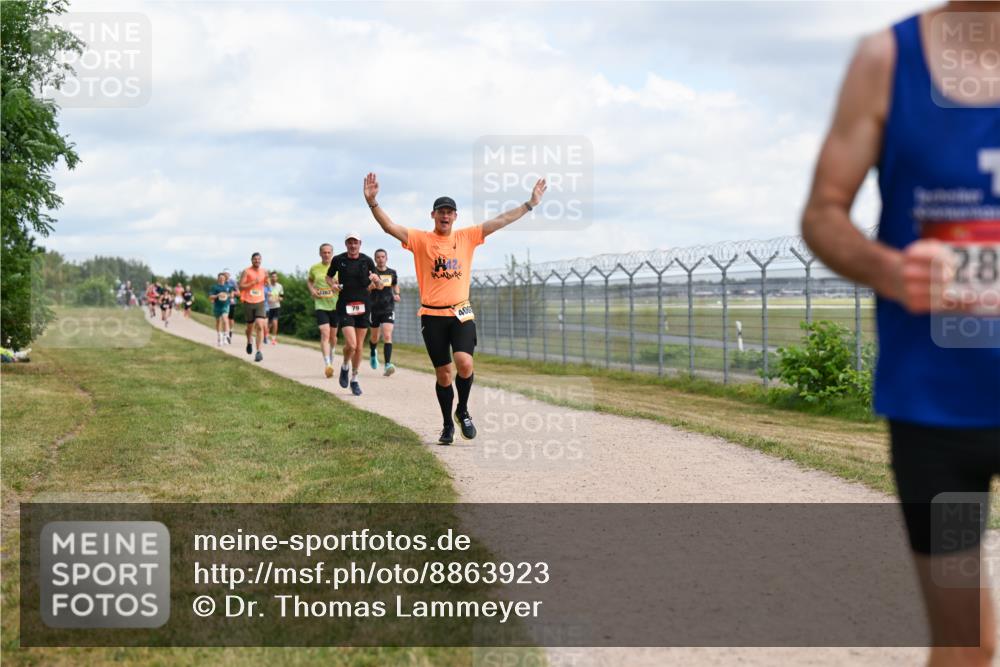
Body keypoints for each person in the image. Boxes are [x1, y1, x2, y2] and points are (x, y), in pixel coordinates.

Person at [800, 6, 999, 665]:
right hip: (936, 416)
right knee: (968, 642)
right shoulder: (887, 59)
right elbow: (824, 213)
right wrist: (892, 270)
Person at [364, 172, 547, 444]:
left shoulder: (467, 237)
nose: (445, 216)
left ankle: (463, 409)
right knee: (444, 373)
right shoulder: (420, 239)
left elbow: (500, 221)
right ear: (433, 215)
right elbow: (390, 227)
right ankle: (448, 423)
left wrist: (529, 204)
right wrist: (372, 203)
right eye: (441, 212)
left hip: (460, 312)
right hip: (432, 315)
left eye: (450, 212)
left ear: (456, 217)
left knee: (464, 362)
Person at [327, 231, 381, 396]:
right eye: (349, 242)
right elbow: (329, 277)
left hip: (363, 306)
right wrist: (333, 286)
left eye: (355, 242)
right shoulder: (339, 260)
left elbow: (379, 286)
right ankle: (344, 366)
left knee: (358, 347)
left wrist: (376, 280)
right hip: (345, 305)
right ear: (346, 244)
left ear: (360, 244)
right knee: (351, 345)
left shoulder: (367, 261)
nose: (352, 245)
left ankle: (355, 378)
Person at [308, 243, 340, 377]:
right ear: (320, 253)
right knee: (325, 333)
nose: (326, 255)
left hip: (336, 305)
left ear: (332, 253)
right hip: (321, 305)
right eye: (324, 252)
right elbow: (309, 281)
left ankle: (332, 352)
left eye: (329, 252)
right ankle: (327, 364)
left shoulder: (338, 267)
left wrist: (337, 287)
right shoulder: (314, 268)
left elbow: (343, 283)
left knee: (333, 336)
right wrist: (313, 291)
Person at [368, 248, 400, 376]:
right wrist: (370, 287)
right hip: (374, 308)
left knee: (387, 335)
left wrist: (397, 293)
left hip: (388, 308)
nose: (381, 259)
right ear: (375, 259)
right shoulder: (371, 273)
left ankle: (387, 365)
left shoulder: (392, 273)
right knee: (375, 337)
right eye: (378, 257)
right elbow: (366, 289)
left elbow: (395, 285)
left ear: (386, 258)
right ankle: (372, 352)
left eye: (383, 257)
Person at [239, 252, 269, 362]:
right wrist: (252, 283)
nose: (257, 261)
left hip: (260, 301)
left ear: (261, 260)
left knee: (260, 325)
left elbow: (266, 283)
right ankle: (249, 341)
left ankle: (259, 352)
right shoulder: (246, 271)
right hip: (248, 301)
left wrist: (267, 281)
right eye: (255, 259)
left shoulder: (264, 271)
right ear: (251, 260)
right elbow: (241, 286)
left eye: (259, 259)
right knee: (249, 327)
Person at [208, 272, 232, 345]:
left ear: (225, 279)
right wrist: (217, 295)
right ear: (218, 279)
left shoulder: (228, 286)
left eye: (223, 278)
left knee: (225, 319)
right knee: (218, 321)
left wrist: (228, 296)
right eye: (220, 278)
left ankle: (225, 336)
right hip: (217, 306)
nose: (221, 279)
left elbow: (232, 294)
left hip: (225, 305)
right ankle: (219, 337)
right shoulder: (215, 287)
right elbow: (210, 297)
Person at [266, 271, 283, 345]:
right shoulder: (267, 286)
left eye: (275, 277)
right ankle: (265, 336)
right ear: (270, 278)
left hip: (276, 306)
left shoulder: (280, 286)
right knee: (268, 324)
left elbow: (282, 297)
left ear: (277, 278)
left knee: (275, 322)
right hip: (268, 307)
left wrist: (277, 299)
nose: (274, 278)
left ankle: (273, 339)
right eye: (272, 277)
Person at [224, 268, 239, 345]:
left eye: (226, 274)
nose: (225, 275)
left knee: (230, 319)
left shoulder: (233, 282)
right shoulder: (221, 282)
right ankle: (226, 334)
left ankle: (230, 331)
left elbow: (238, 293)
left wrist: (233, 294)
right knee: (224, 318)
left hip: (232, 303)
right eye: (224, 274)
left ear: (229, 275)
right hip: (224, 303)